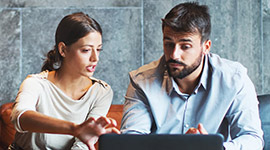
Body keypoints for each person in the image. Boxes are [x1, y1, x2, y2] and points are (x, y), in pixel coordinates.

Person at [120, 2, 264, 150]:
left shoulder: (234, 79)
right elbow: (132, 140)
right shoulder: (142, 82)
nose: (174, 54)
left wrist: (216, 148)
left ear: (205, 47)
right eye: (169, 44)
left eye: (185, 46)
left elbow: (252, 139)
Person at [10, 12, 120, 150]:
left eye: (98, 50)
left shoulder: (101, 92)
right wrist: (74, 129)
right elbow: (20, 117)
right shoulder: (35, 83)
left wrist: (81, 134)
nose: (95, 58)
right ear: (63, 49)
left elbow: (82, 145)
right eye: (86, 50)